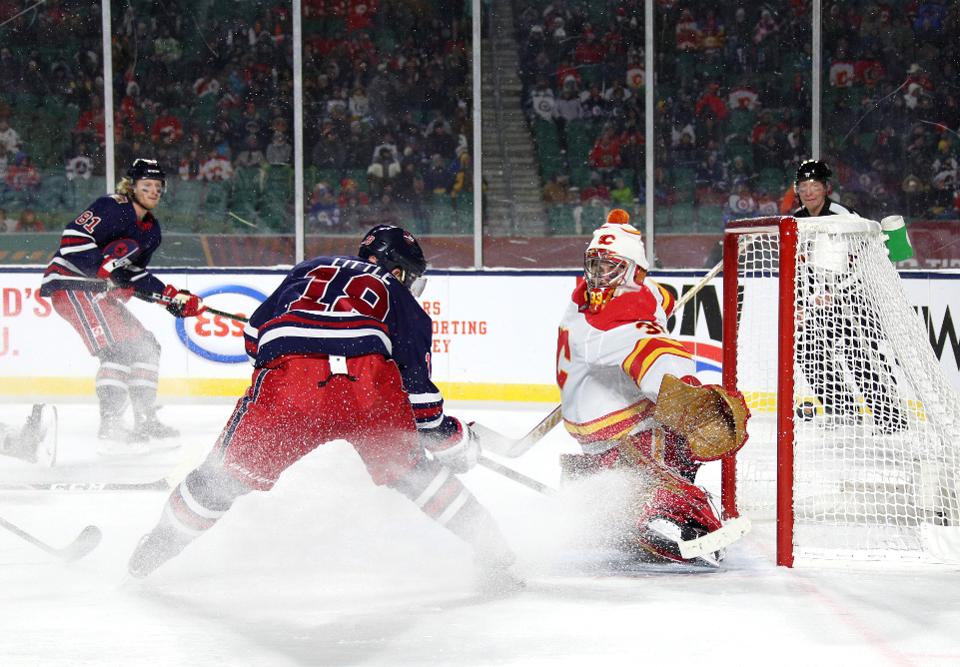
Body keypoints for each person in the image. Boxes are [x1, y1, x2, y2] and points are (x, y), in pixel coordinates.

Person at [127, 225, 522, 592]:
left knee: (221, 478)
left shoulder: (310, 268)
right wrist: (457, 442)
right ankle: (497, 556)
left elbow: (252, 339)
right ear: (400, 272)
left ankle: (150, 554)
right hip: (367, 386)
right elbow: (420, 404)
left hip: (291, 385)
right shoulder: (403, 301)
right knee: (417, 474)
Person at [556, 209, 751, 566]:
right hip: (622, 430)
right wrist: (694, 396)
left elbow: (656, 298)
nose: (598, 276)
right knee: (665, 464)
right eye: (595, 266)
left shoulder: (581, 299)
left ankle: (621, 513)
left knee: (671, 450)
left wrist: (659, 305)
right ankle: (694, 524)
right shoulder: (613, 326)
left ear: (633, 272)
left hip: (593, 426)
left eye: (608, 267)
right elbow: (660, 365)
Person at [39, 159, 205, 452]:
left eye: (157, 187)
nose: (153, 191)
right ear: (132, 187)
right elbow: (73, 237)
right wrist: (99, 266)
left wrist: (170, 297)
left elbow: (131, 275)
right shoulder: (112, 206)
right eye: (147, 186)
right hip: (71, 285)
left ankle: (143, 419)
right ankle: (111, 427)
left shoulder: (151, 231)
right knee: (118, 350)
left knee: (146, 345)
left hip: (97, 292)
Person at [792, 159, 906, 433]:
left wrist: (834, 290)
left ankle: (890, 418)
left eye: (815, 186)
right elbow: (798, 266)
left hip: (857, 299)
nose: (809, 192)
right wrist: (801, 299)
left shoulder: (843, 216)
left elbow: (862, 258)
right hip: (822, 303)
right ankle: (841, 409)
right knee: (807, 347)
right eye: (804, 186)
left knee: (861, 355)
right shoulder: (796, 220)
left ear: (826, 188)